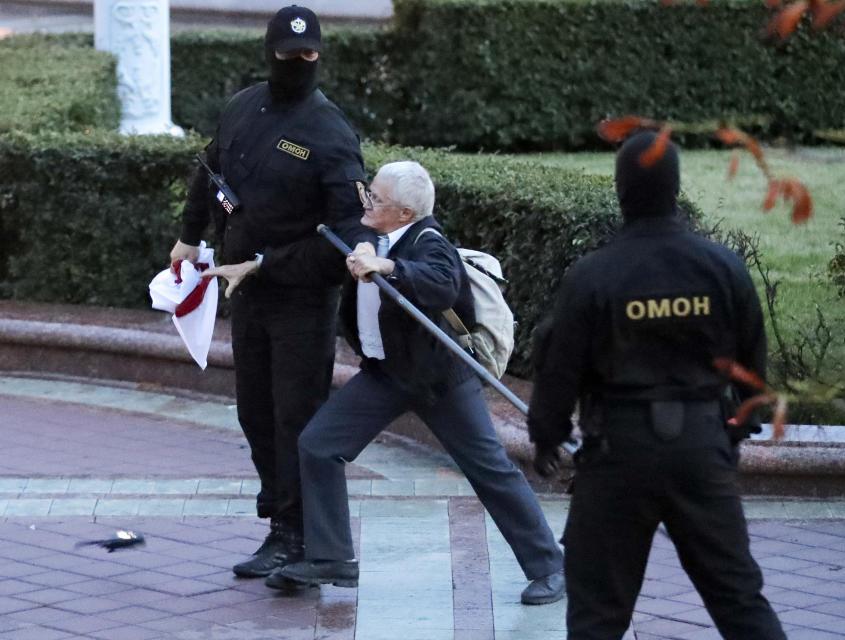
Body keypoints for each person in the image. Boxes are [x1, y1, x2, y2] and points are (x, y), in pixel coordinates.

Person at [255, 160, 566, 605]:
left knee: (490, 469)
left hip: (438, 379)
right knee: (319, 445)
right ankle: (331, 559)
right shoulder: (375, 234)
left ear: (404, 213)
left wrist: (387, 267)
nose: (367, 201)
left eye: (376, 198)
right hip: (384, 374)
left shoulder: (428, 242)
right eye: (370, 192)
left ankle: (550, 566)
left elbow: (441, 283)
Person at [527, 132, 786, 639]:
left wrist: (546, 433)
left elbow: (559, 365)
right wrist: (730, 434)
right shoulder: (722, 268)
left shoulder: (594, 274)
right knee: (739, 600)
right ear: (676, 187)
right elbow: (754, 365)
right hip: (700, 447)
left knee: (597, 614)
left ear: (621, 190)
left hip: (617, 454)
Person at [171, 5, 374, 579]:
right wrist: (189, 237)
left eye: (310, 54)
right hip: (247, 294)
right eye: (289, 54)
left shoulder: (331, 134)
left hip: (302, 303)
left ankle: (299, 534)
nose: (300, 62)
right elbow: (209, 171)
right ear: (270, 52)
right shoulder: (242, 107)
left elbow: (345, 236)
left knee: (297, 419)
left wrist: (264, 264)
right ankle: (279, 521)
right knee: (254, 413)